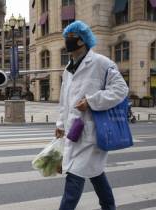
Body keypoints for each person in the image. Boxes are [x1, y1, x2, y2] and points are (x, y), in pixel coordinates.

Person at [55, 21, 128, 210]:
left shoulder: (102, 63)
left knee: (74, 175)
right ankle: (109, 206)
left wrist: (91, 100)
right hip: (74, 130)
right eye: (66, 38)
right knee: (95, 173)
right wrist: (60, 125)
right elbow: (64, 99)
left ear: (82, 41)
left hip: (93, 131)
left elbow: (121, 89)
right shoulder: (68, 68)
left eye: (70, 38)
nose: (67, 42)